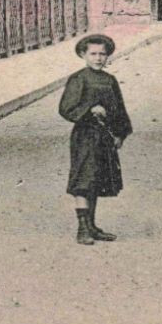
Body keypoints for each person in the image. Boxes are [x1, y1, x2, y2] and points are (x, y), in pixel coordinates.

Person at [59, 33, 133, 246]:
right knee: (84, 180)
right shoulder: (79, 79)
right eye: (93, 54)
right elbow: (66, 108)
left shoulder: (110, 80)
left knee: (97, 179)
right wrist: (89, 109)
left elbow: (119, 108)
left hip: (105, 137)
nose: (98, 58)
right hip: (85, 136)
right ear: (83, 54)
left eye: (102, 54)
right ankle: (82, 228)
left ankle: (92, 225)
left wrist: (120, 133)